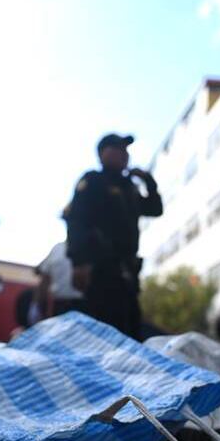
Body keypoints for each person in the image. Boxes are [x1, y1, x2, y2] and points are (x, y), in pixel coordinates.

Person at [65, 133, 162, 339]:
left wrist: (148, 180)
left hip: (128, 271)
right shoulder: (93, 180)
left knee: (131, 329)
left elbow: (155, 209)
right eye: (118, 149)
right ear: (103, 153)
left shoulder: (129, 186)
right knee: (104, 330)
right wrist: (79, 261)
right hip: (101, 268)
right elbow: (76, 220)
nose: (124, 154)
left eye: (125, 150)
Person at [35, 241, 84, 318]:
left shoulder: (59, 248)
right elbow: (44, 278)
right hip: (60, 304)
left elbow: (44, 279)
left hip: (81, 304)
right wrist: (37, 307)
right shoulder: (58, 248)